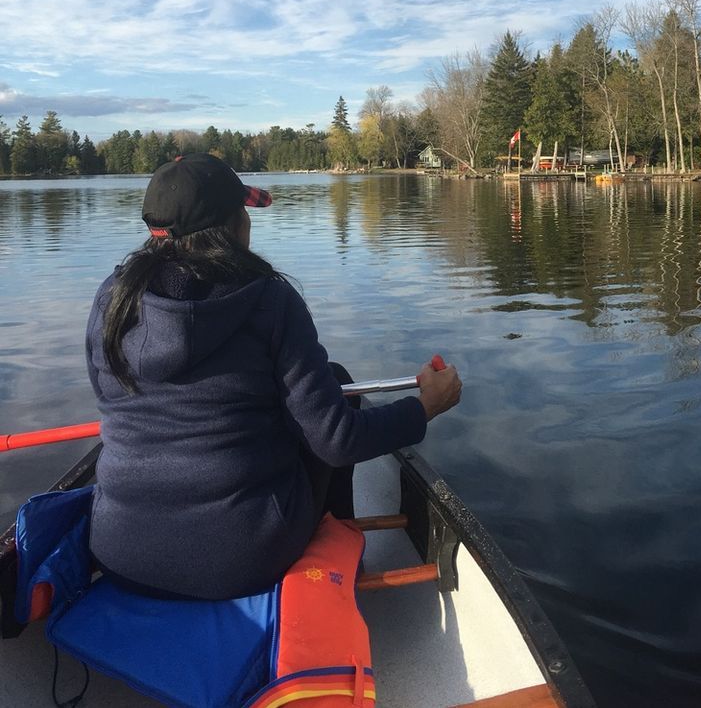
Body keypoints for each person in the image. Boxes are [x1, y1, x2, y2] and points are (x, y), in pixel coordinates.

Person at [84, 154, 463, 601]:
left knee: (325, 384)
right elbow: (336, 441)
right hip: (240, 558)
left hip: (118, 554)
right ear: (229, 225)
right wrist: (424, 407)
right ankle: (338, 542)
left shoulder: (112, 298)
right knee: (336, 390)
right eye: (243, 211)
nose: (249, 221)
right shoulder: (269, 299)